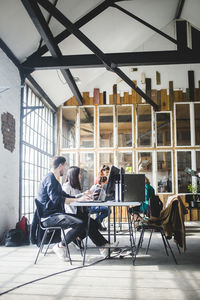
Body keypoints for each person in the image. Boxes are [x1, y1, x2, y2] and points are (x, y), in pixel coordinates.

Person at [37, 155, 92, 261]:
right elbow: (57, 200)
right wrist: (78, 200)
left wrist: (81, 197)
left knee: (85, 220)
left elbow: (65, 196)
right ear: (60, 166)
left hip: (55, 215)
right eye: (65, 166)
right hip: (49, 218)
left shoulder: (54, 180)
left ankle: (103, 246)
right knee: (80, 223)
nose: (66, 169)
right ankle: (60, 246)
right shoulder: (50, 179)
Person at [62, 166, 118, 257]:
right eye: (79, 174)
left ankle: (101, 246)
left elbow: (76, 197)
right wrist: (82, 197)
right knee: (90, 224)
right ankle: (104, 247)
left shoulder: (75, 186)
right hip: (71, 214)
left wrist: (86, 195)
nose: (80, 176)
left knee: (93, 224)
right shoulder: (66, 186)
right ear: (73, 175)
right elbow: (67, 200)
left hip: (78, 212)